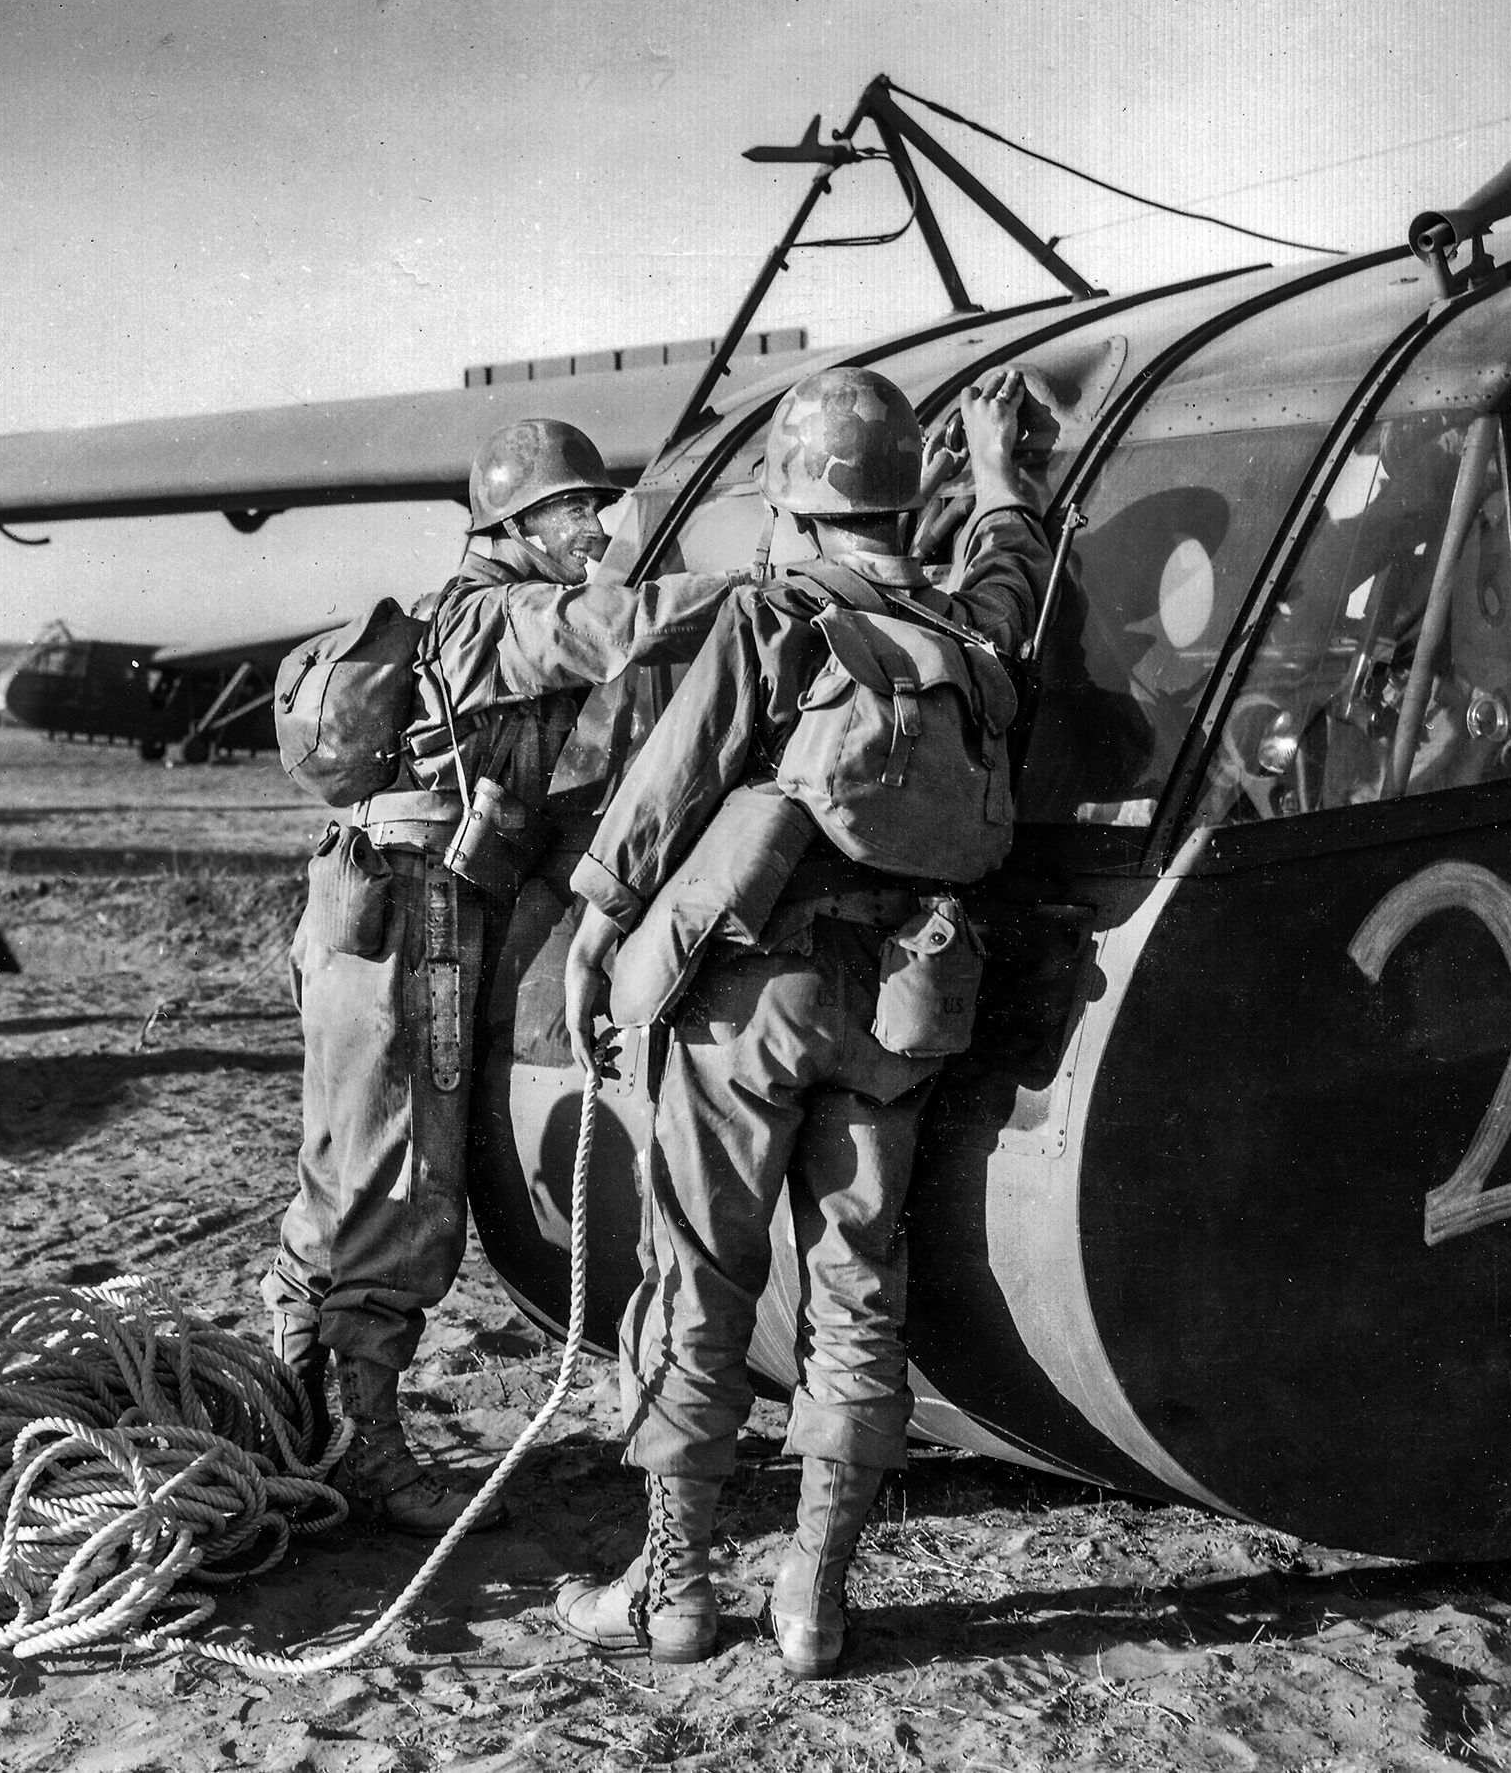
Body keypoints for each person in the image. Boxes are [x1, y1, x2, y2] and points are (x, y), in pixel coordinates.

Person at [551, 366, 1051, 1676]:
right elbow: (1008, 570)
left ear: (796, 497)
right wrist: (1002, 481)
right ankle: (812, 1600)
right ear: (902, 497)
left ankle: (671, 1591)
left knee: (696, 1278)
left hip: (748, 995)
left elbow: (668, 786)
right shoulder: (970, 634)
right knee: (858, 1291)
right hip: (904, 999)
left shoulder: (781, 613)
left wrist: (597, 926)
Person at [264, 418, 743, 1535]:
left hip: (380, 914)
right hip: (410, 926)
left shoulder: (463, 618)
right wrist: (762, 588)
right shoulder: (496, 615)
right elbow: (613, 627)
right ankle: (364, 1451)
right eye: (578, 510)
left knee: (348, 1176)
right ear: (517, 523)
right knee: (399, 1184)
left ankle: (298, 1425)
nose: (598, 527)